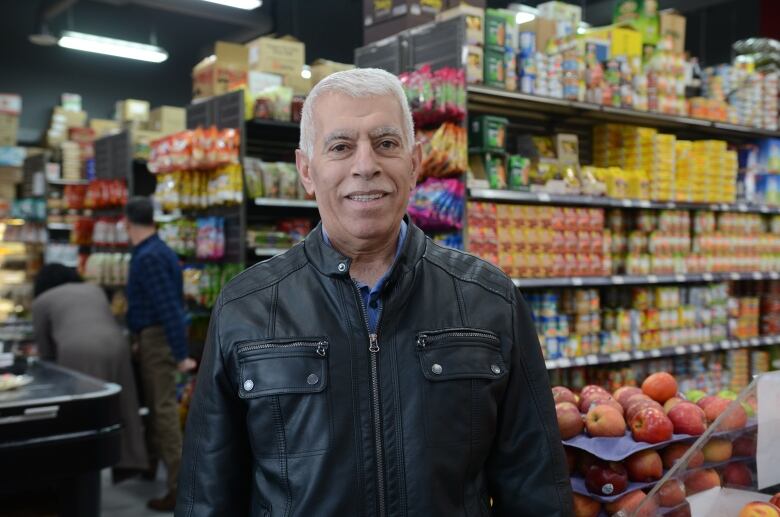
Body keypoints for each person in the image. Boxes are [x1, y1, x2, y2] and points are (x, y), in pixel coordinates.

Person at [176, 68, 573, 516]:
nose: (366, 166)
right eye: (341, 147)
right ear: (306, 170)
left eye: (386, 143)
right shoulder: (245, 308)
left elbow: (537, 487)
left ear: (415, 162)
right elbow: (206, 497)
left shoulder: (489, 300)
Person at [31, 263, 148, 479]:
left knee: (82, 412)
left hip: (77, 349)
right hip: (117, 344)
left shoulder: (41, 301)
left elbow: (45, 352)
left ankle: (81, 468)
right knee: (124, 404)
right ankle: (131, 460)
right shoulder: (95, 289)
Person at [125, 196, 196, 512]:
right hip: (152, 337)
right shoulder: (156, 251)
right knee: (157, 408)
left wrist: (180, 353)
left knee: (165, 412)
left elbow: (168, 308)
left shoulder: (149, 257)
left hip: (158, 339)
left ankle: (180, 489)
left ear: (127, 223)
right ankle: (155, 468)